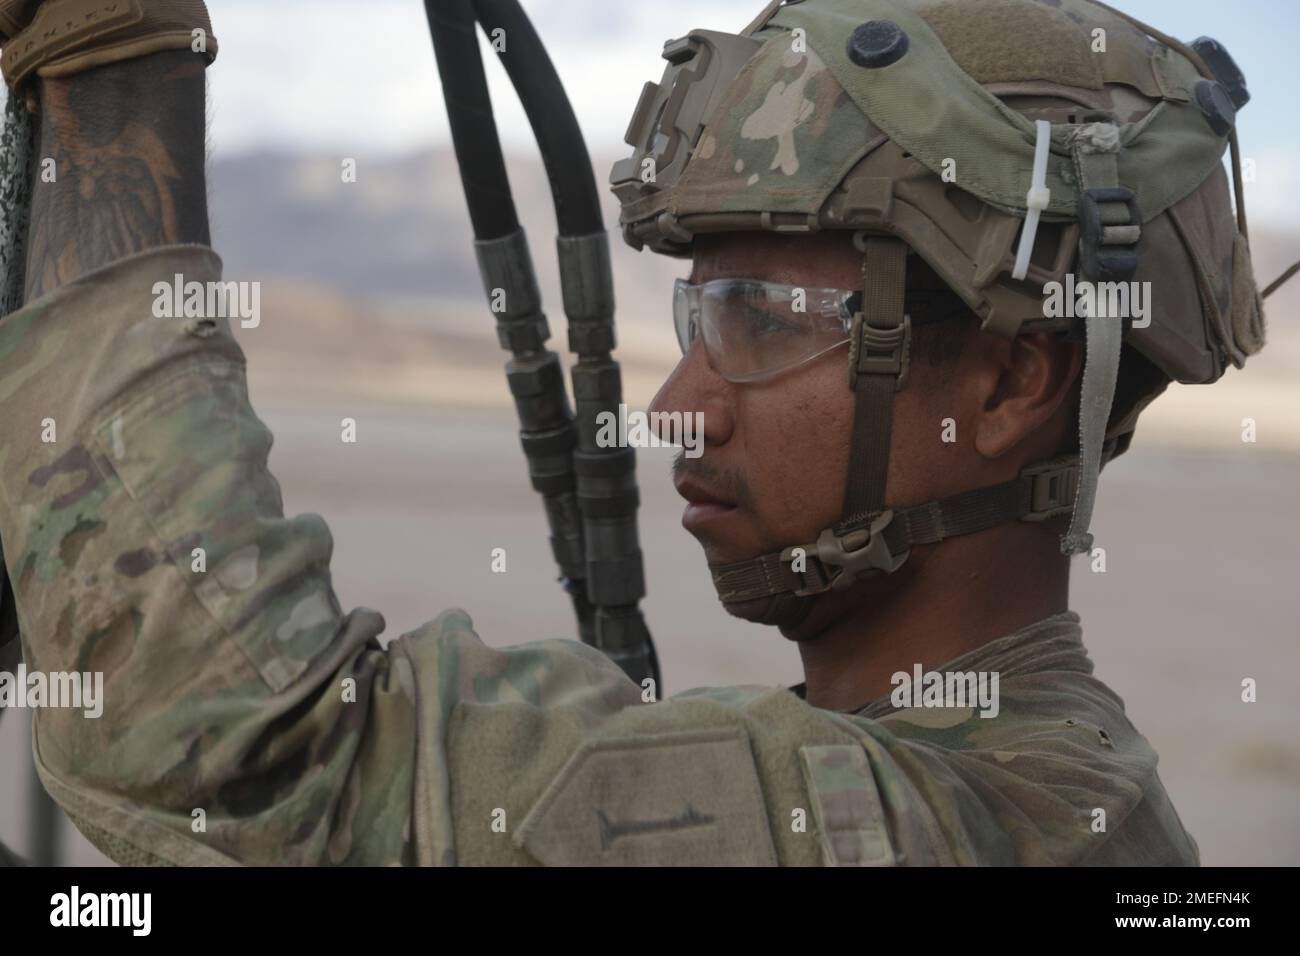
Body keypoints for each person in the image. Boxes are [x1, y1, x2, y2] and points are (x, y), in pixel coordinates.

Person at [0, 0, 1272, 866]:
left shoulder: (992, 817)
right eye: (696, 312)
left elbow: (234, 741)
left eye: (761, 317)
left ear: (1006, 385)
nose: (678, 406)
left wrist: (117, 53)